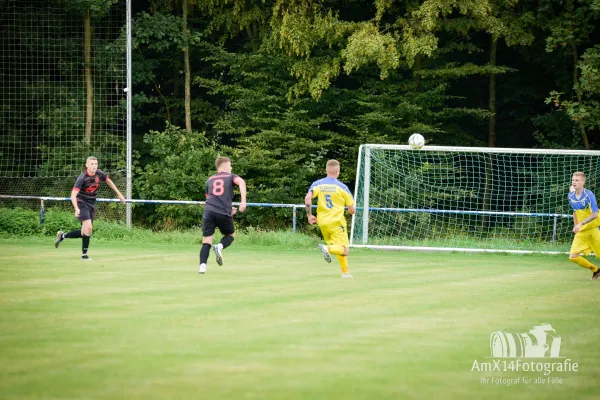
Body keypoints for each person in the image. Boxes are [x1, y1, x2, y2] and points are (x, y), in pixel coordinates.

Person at [55, 156, 126, 259]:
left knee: (86, 231)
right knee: (89, 227)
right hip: (81, 202)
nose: (94, 166)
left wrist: (119, 194)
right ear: (87, 165)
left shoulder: (99, 174)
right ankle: (84, 256)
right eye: (92, 164)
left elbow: (108, 181)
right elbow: (73, 195)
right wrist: (76, 208)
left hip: (91, 204)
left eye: (96, 164)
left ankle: (62, 236)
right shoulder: (82, 178)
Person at [305, 159, 356, 278]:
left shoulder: (318, 184)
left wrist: (309, 215)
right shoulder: (342, 187)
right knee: (344, 249)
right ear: (338, 171)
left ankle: (345, 273)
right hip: (336, 222)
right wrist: (352, 210)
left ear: (326, 170)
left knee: (337, 247)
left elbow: (308, 198)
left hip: (322, 222)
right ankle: (326, 248)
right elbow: (351, 209)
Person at [199, 156, 247, 274]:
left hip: (209, 211)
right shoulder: (231, 176)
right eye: (230, 165)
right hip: (223, 212)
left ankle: (202, 266)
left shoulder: (210, 179)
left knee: (206, 240)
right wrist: (243, 201)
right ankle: (219, 246)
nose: (231, 167)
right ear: (225, 166)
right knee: (230, 235)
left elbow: (209, 197)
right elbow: (241, 181)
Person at [568, 171, 600, 280]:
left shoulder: (589, 195)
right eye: (573, 180)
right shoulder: (570, 196)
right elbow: (574, 212)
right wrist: (576, 225)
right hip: (582, 230)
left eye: (577, 180)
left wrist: (581, 223)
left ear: (583, 182)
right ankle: (596, 270)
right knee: (573, 256)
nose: (574, 182)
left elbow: (595, 214)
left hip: (594, 228)